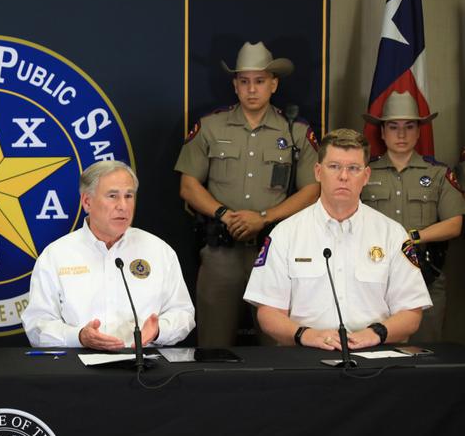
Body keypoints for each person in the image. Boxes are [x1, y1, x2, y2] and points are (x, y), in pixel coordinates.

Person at [174, 41, 320, 347]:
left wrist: (264, 218)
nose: (252, 89)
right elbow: (188, 186)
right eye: (244, 82)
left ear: (274, 84)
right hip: (220, 252)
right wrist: (224, 215)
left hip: (276, 253)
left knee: (279, 347)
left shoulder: (295, 132)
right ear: (235, 86)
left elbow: (312, 190)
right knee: (213, 346)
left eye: (260, 81)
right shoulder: (211, 126)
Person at [244, 129, 430, 350]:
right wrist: (306, 335)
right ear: (318, 172)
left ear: (367, 175)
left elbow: (411, 312)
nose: (343, 176)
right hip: (305, 354)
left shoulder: (392, 233)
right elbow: (268, 312)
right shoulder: (285, 233)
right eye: (334, 167)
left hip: (375, 355)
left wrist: (376, 333)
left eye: (353, 168)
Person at [22, 161, 195, 349]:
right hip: (78, 367)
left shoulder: (159, 251)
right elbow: (37, 325)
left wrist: (158, 330)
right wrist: (79, 337)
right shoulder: (56, 255)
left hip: (145, 366)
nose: (123, 206)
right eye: (113, 196)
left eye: (129, 196)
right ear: (87, 202)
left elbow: (183, 313)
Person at [361, 92, 465, 342]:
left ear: (419, 132)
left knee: (424, 353)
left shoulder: (438, 173)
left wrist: (412, 237)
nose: (401, 134)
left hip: (424, 276)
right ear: (382, 132)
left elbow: (455, 224)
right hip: (372, 275)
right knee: (372, 349)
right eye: (393, 127)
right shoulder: (363, 173)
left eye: (409, 127)